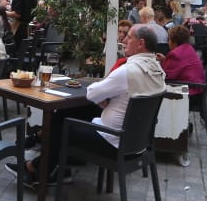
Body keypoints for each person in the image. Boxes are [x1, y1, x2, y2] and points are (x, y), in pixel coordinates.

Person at [8, 24, 165, 185]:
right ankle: (50, 167)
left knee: (62, 122)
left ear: (141, 43)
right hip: (138, 143)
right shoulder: (157, 70)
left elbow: (92, 93)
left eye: (129, 37)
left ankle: (38, 170)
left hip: (112, 141)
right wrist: (106, 96)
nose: (124, 40)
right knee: (72, 112)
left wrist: (103, 95)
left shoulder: (128, 71)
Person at [161, 23, 206, 96]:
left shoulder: (175, 54)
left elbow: (166, 76)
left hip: (188, 91)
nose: (168, 42)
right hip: (197, 88)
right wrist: (165, 60)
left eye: (169, 39)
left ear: (174, 42)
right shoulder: (189, 48)